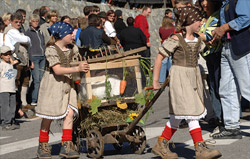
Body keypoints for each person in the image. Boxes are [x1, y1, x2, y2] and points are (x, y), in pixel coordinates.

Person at [152, 6, 222, 159]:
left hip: (193, 77)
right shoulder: (176, 39)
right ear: (190, 21)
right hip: (180, 78)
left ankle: (161, 143)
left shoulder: (197, 39)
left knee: (178, 116)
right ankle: (200, 148)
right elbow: (159, 57)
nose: (200, 23)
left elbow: (206, 45)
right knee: (191, 113)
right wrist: (156, 80)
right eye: (198, 20)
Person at [36, 22, 89, 159]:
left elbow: (78, 63)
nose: (73, 35)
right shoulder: (51, 50)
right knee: (49, 115)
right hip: (53, 85)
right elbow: (57, 70)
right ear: (61, 35)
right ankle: (43, 144)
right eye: (69, 33)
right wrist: (77, 69)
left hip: (69, 85)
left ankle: (67, 144)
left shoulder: (73, 48)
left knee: (69, 113)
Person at [210, 0, 250, 139]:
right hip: (227, 46)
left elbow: (246, 17)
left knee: (248, 87)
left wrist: (224, 27)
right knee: (226, 88)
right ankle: (232, 127)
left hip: (241, 48)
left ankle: (232, 126)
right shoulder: (224, 3)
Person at [198, 0, 223, 128]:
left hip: (217, 54)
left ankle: (223, 119)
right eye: (202, 0)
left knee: (219, 87)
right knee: (213, 86)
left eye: (207, 0)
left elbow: (210, 35)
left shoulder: (217, 15)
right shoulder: (204, 18)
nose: (204, 3)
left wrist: (195, 35)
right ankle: (219, 118)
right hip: (209, 55)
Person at [4, 13, 31, 118]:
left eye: (20, 22)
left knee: (20, 84)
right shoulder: (10, 30)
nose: (19, 24)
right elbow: (26, 40)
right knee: (14, 86)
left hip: (21, 61)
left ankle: (18, 109)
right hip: (14, 61)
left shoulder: (18, 31)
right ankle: (14, 112)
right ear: (11, 21)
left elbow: (27, 43)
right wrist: (26, 39)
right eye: (16, 22)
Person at [25, 14, 45, 107]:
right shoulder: (28, 32)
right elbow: (28, 48)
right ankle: (34, 100)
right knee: (36, 79)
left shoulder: (40, 31)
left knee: (41, 79)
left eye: (37, 21)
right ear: (30, 22)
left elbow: (43, 44)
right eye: (34, 21)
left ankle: (40, 98)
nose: (36, 23)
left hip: (42, 57)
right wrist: (30, 60)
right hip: (34, 58)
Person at [0, 46, 19, 130]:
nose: (8, 56)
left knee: (12, 107)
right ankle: (5, 123)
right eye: (5, 54)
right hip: (3, 89)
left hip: (12, 88)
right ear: (1, 55)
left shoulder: (11, 65)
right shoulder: (1, 65)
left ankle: (11, 121)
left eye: (9, 54)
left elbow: (20, 60)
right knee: (5, 106)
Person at [158, 16, 175, 83]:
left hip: (164, 44)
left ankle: (161, 79)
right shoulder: (173, 28)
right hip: (171, 44)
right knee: (171, 61)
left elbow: (161, 36)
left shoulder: (161, 29)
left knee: (163, 61)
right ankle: (171, 78)